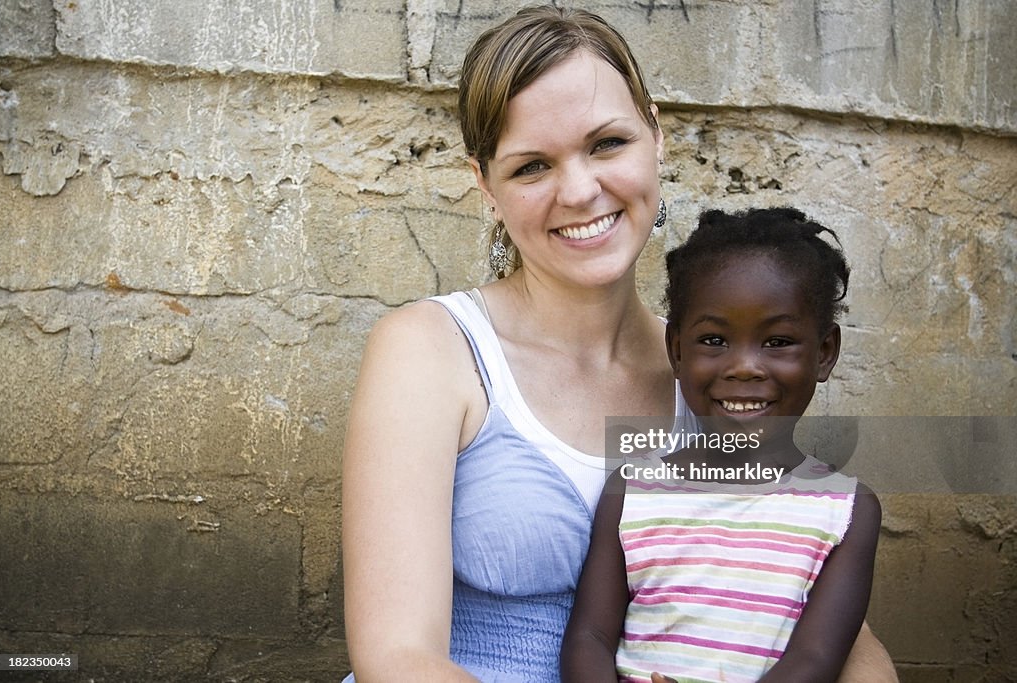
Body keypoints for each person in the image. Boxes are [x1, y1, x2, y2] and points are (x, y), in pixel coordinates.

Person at [341, 7, 896, 682]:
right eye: (531, 166)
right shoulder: (432, 351)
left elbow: (832, 622)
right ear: (485, 185)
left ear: (655, 137)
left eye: (606, 143)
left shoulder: (717, 375)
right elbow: (397, 659)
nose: (580, 191)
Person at [561, 208, 882, 682]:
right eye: (714, 339)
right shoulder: (631, 492)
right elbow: (590, 637)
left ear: (825, 353)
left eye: (778, 342)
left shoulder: (846, 510)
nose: (745, 367)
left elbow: (813, 662)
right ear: (676, 350)